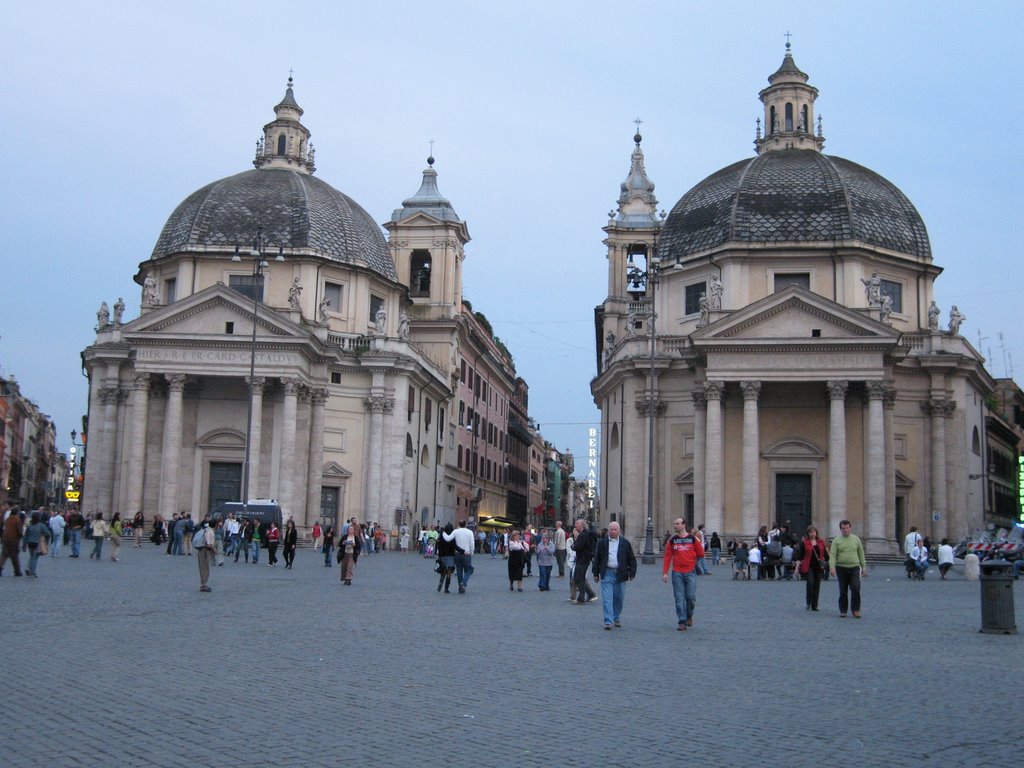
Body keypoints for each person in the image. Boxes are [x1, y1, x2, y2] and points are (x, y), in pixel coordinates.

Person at [592, 521, 637, 630]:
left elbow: (631, 559)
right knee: (607, 598)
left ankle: (616, 617)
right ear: (608, 530)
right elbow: (597, 557)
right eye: (611, 529)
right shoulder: (602, 542)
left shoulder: (625, 543)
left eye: (615, 529)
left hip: (620, 573)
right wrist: (595, 573)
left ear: (619, 531)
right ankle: (608, 620)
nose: (613, 531)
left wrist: (632, 572)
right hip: (607, 572)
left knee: (619, 597)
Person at [662, 518, 705, 631]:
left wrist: (693, 561)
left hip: (690, 571)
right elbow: (667, 557)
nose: (675, 526)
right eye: (674, 524)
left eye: (677, 524)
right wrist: (665, 573)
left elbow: (701, 553)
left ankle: (689, 614)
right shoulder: (672, 540)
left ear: (684, 525)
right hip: (677, 572)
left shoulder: (692, 539)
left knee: (690, 597)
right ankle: (682, 621)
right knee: (679, 598)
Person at [829, 520, 867, 618]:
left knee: (855, 588)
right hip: (841, 568)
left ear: (850, 528)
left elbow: (861, 553)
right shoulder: (837, 541)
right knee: (843, 590)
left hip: (854, 567)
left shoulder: (856, 539)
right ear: (840, 529)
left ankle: (856, 609)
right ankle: (843, 610)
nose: (845, 530)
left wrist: (864, 567)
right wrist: (832, 567)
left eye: (847, 528)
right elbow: (832, 555)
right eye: (843, 528)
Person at [795, 525, 829, 611]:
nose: (812, 534)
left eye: (814, 532)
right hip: (808, 566)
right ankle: (808, 602)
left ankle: (815, 606)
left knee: (817, 585)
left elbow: (826, 555)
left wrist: (830, 564)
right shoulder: (804, 543)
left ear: (816, 533)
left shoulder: (821, 542)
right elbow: (800, 557)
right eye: (810, 532)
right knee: (810, 583)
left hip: (819, 566)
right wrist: (796, 569)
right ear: (808, 533)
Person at [443, 519, 475, 594]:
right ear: (465, 524)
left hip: (457, 554)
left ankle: (460, 588)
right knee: (468, 570)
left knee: (459, 571)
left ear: (459, 524)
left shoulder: (455, 531)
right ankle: (463, 584)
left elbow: (447, 539)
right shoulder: (470, 532)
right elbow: (472, 543)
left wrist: (443, 532)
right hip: (466, 553)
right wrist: (472, 551)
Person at [572, 519, 598, 604]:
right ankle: (590, 594)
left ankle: (581, 598)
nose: (575, 525)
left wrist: (574, 541)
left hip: (583, 559)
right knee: (579, 577)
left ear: (582, 525)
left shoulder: (583, 535)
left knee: (579, 578)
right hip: (584, 559)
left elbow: (577, 547)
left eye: (577, 523)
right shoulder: (584, 534)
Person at [23, 512, 52, 577]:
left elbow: (25, 536)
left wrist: (24, 545)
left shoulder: (29, 526)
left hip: (30, 543)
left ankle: (28, 568)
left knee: (31, 556)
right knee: (35, 558)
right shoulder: (41, 525)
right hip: (37, 543)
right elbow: (48, 533)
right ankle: (32, 572)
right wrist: (43, 535)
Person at [195, 519, 215, 592]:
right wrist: (214, 550)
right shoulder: (210, 532)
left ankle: (203, 584)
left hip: (201, 549)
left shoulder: (204, 530)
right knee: (205, 568)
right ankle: (204, 585)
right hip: (205, 550)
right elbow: (209, 545)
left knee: (202, 567)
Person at [436, 523, 456, 593]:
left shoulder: (442, 536)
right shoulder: (452, 537)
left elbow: (439, 546)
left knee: (443, 571)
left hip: (443, 555)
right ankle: (446, 588)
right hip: (450, 556)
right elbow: (454, 546)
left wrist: (440, 555)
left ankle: (441, 582)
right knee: (449, 572)